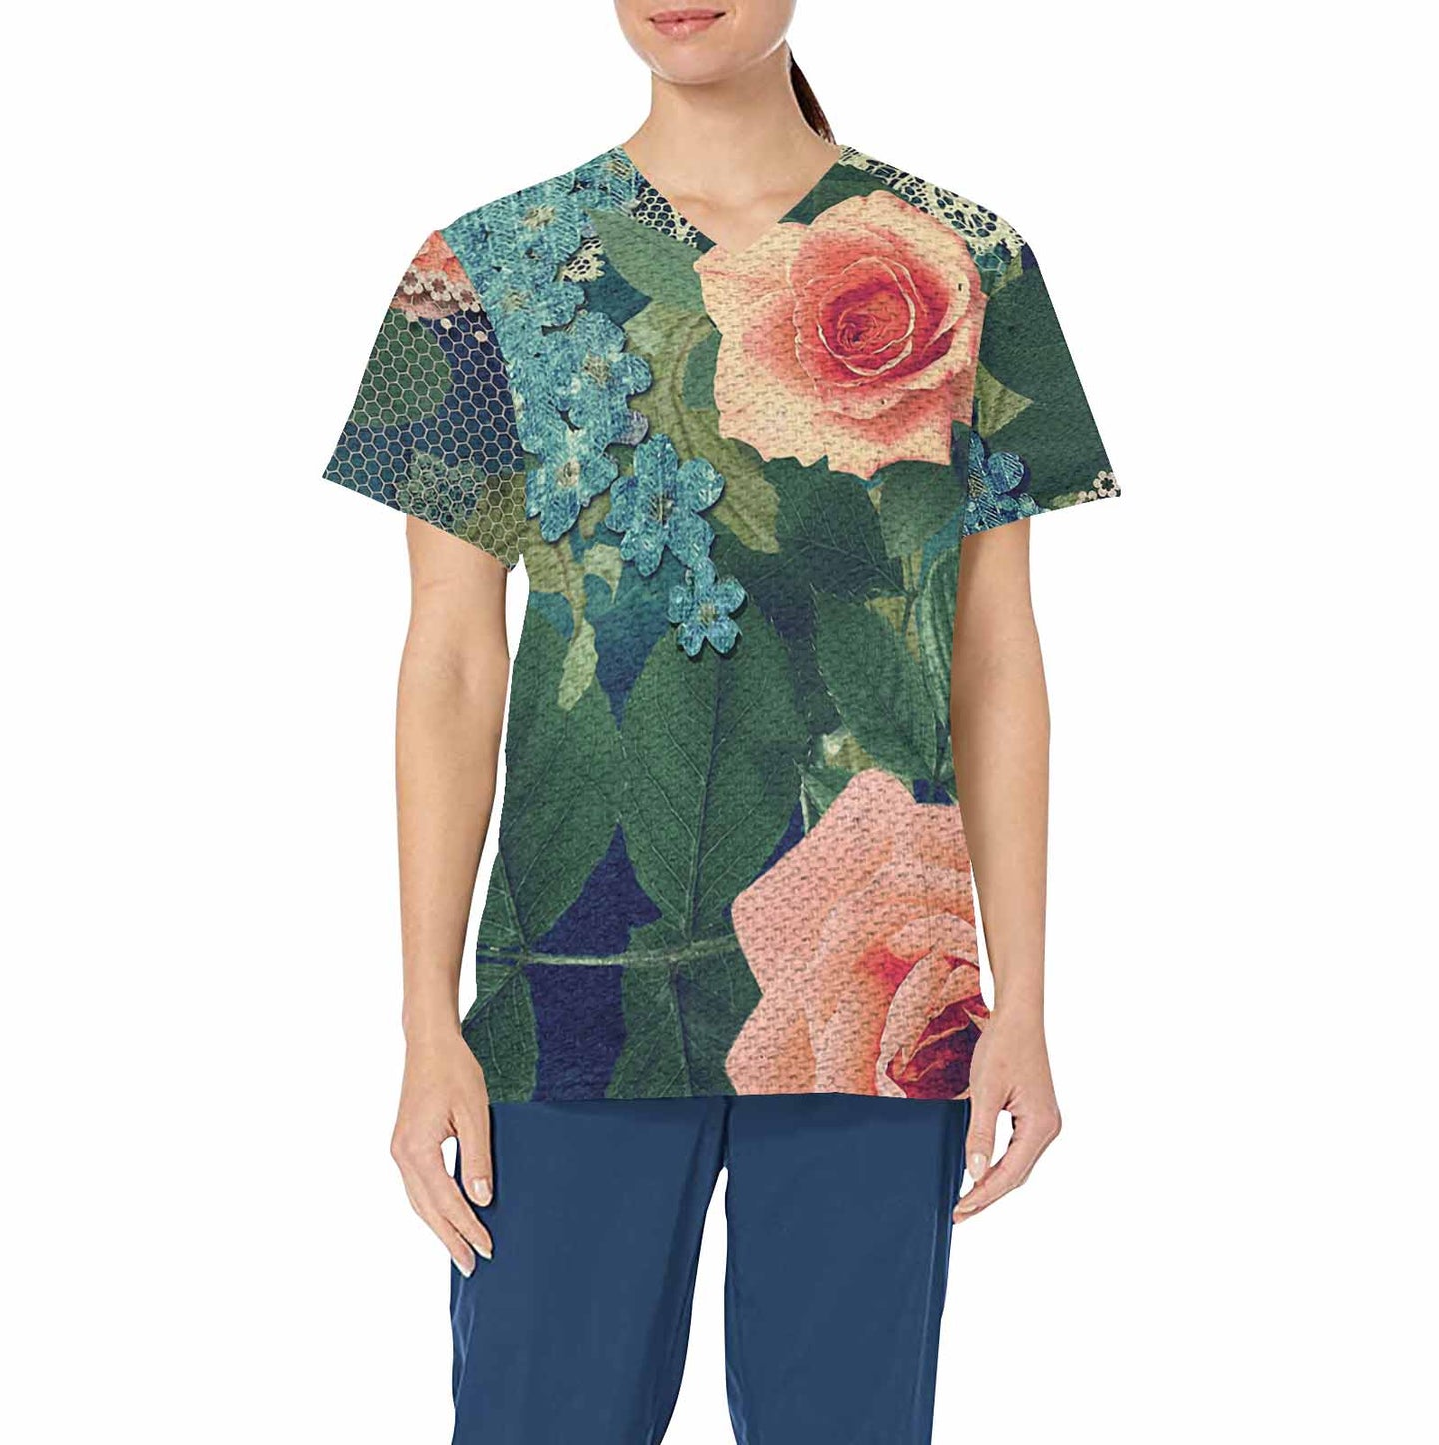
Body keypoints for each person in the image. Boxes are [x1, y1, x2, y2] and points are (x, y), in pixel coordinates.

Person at [321, 2, 1117, 1439]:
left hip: (885, 992)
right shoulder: (483, 272)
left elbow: (994, 656)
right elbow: (448, 661)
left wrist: (1025, 1001)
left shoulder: (968, 263)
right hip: (571, 981)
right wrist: (425, 1020)